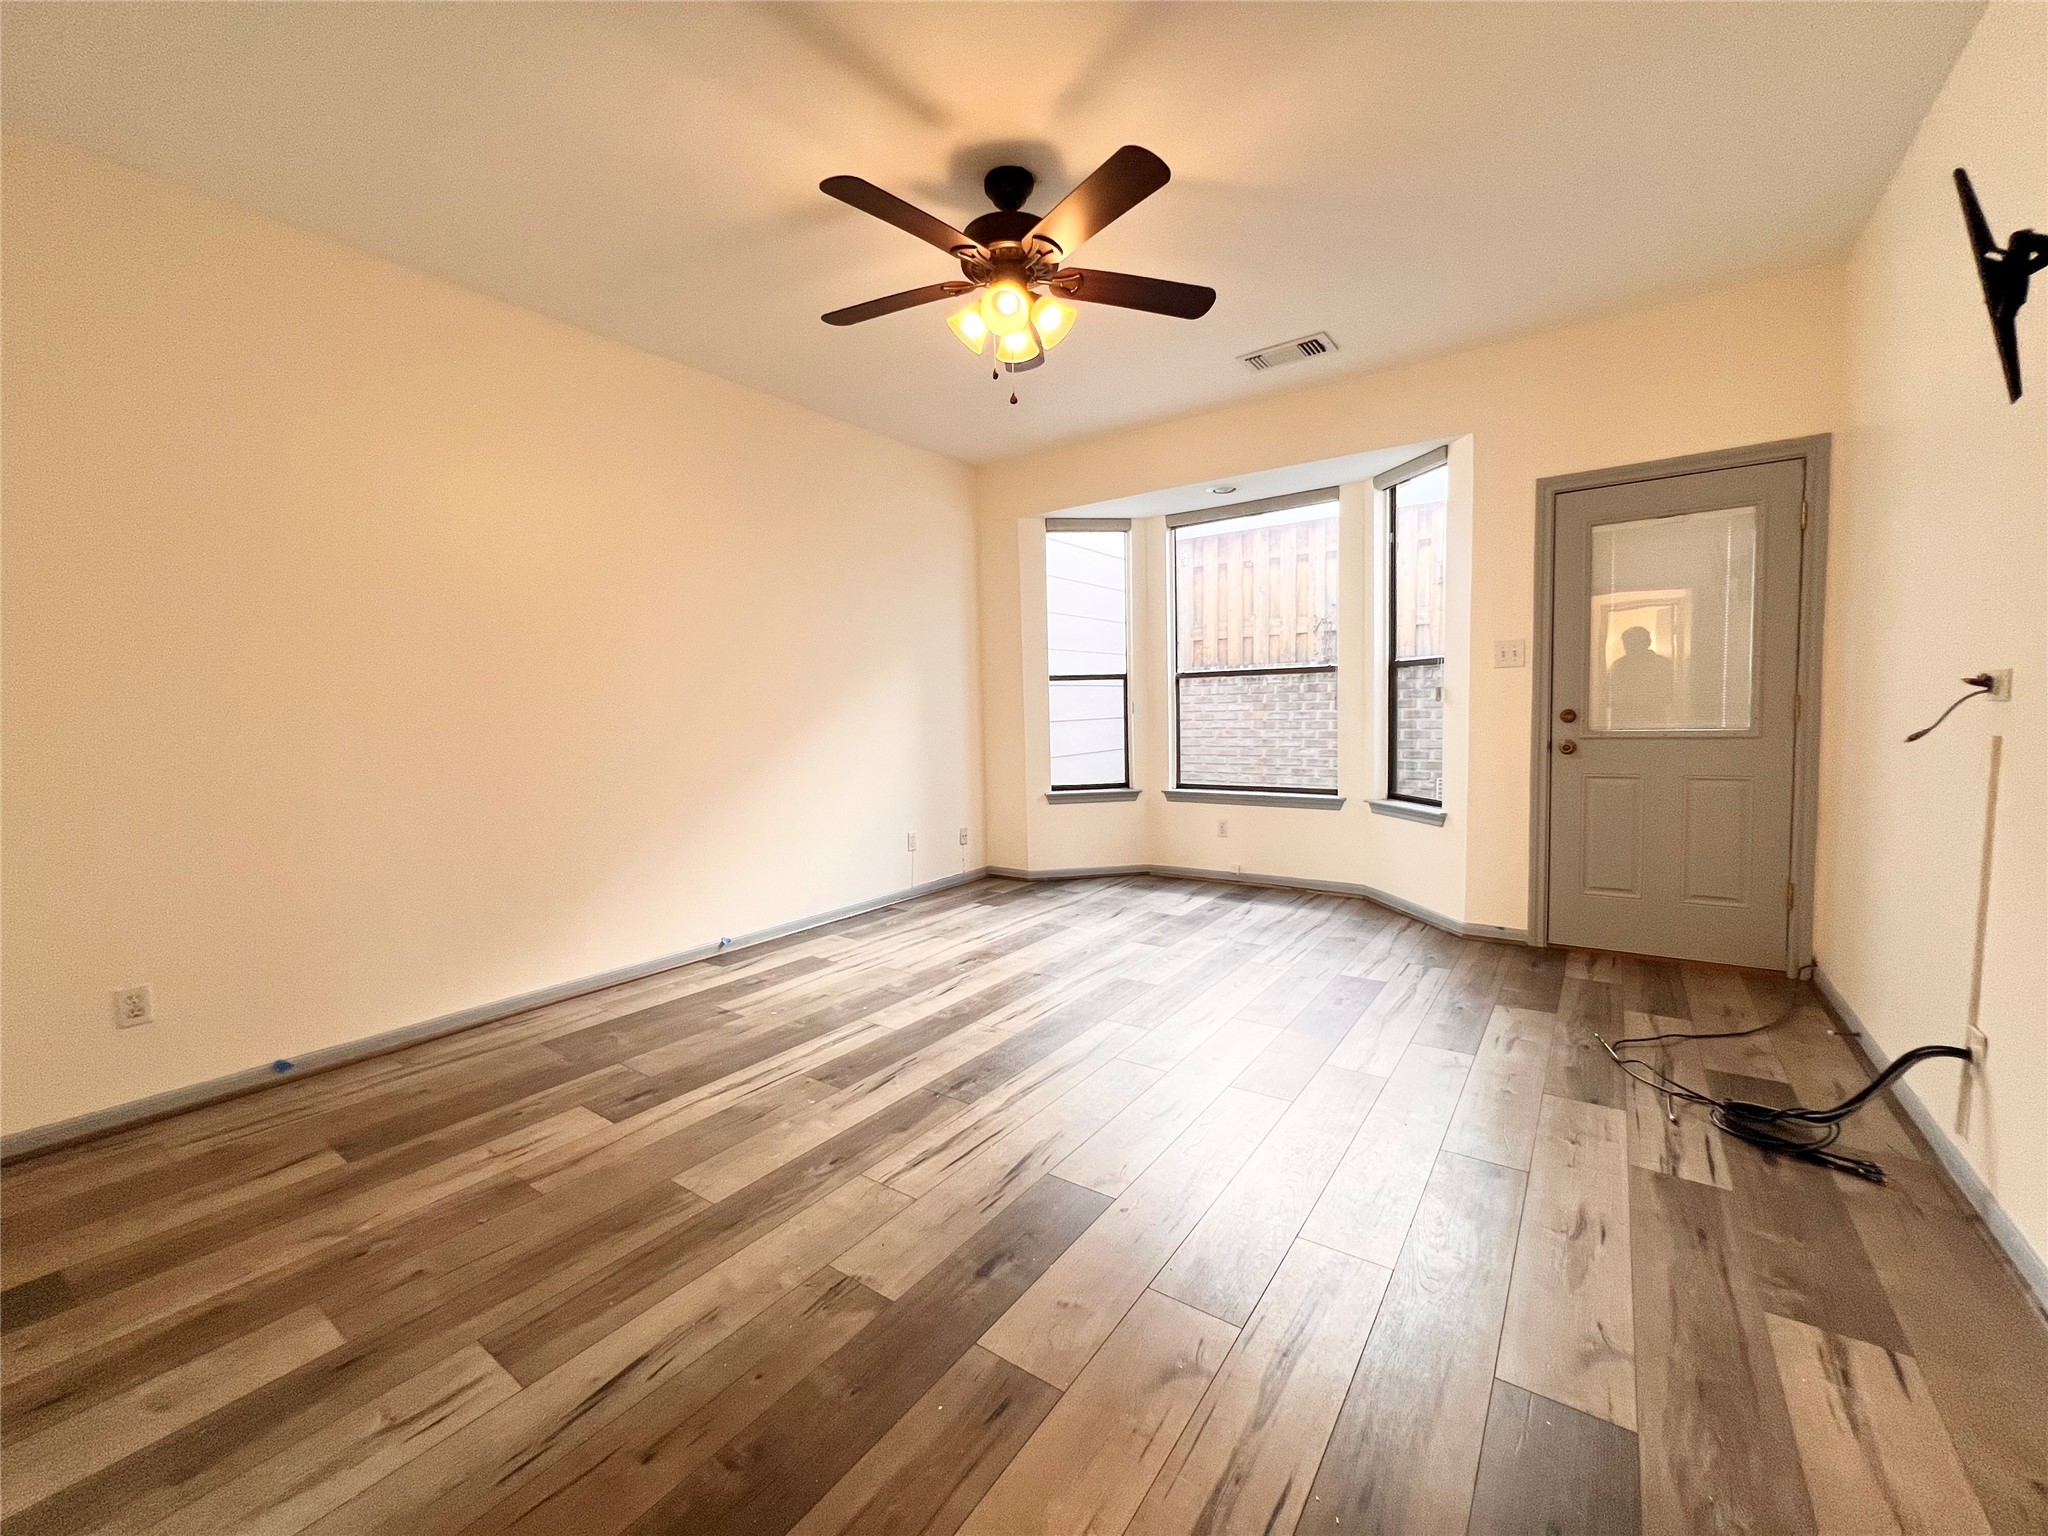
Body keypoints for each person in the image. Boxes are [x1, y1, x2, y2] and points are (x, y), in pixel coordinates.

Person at [1606, 625, 1676, 728]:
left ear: (1647, 643)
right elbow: (1611, 692)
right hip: (1623, 715)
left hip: (1653, 715)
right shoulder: (1618, 665)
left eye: (1635, 642)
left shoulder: (1662, 664)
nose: (1629, 646)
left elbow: (1669, 693)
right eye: (1627, 643)